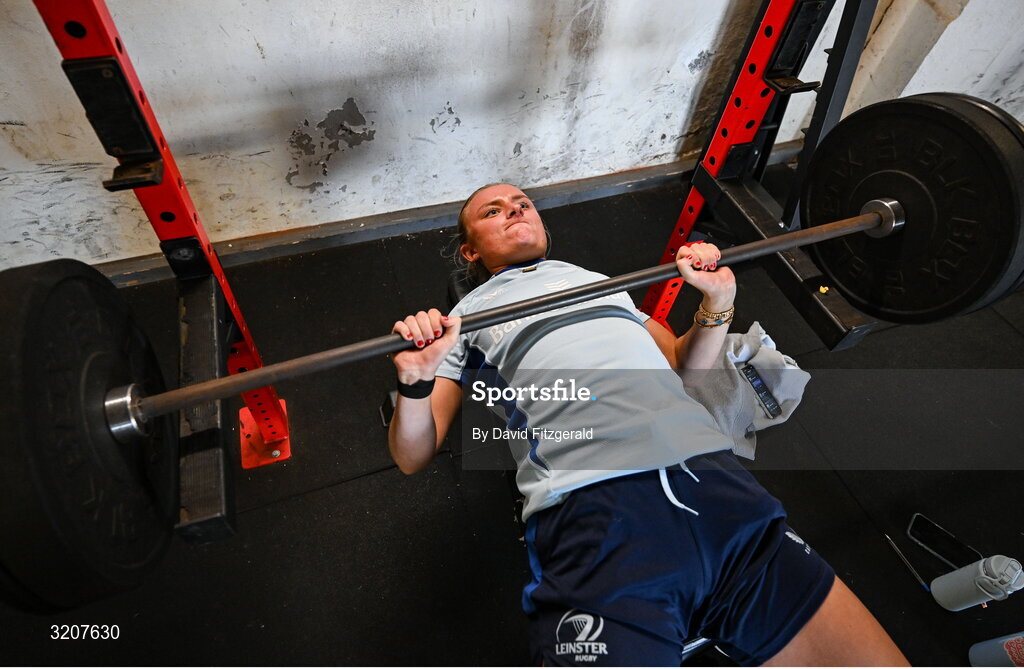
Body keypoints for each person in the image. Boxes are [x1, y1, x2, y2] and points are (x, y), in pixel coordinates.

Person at [387, 183, 908, 667]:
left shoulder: (599, 285)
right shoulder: (461, 320)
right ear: (470, 251)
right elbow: (412, 456)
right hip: (595, 509)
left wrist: (717, 301)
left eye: (522, 203)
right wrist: (415, 381)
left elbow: (685, 367)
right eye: (492, 211)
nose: (515, 210)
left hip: (718, 488)